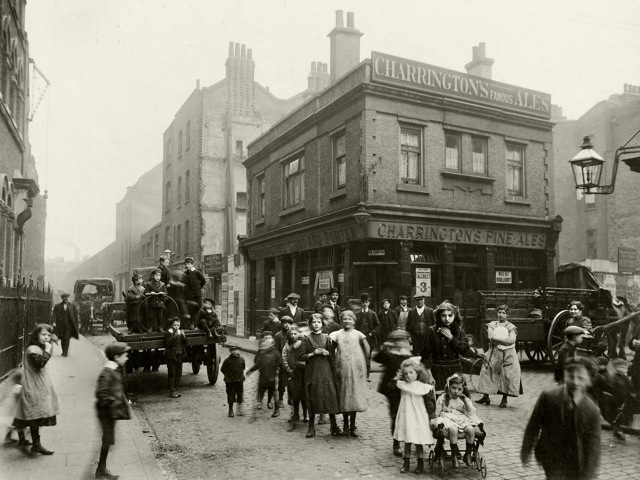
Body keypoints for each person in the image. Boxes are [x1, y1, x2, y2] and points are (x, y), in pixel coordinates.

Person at [521, 355, 601, 480]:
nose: (575, 381)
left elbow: (593, 446)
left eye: (580, 377)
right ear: (564, 375)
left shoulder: (592, 411)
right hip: (551, 457)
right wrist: (526, 449)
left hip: (577, 462)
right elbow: (533, 425)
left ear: (589, 381)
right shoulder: (548, 397)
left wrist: (589, 474)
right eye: (570, 376)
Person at [14, 324, 59, 455]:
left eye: (48, 335)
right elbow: (40, 363)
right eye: (43, 334)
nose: (46, 337)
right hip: (33, 386)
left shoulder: (37, 347)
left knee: (28, 414)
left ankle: (24, 439)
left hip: (37, 384)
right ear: (36, 335)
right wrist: (48, 349)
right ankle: (36, 445)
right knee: (34, 415)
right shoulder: (33, 349)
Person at [299, 313, 341, 438]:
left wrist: (328, 353)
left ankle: (333, 425)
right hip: (312, 371)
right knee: (312, 396)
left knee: (329, 395)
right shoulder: (306, 338)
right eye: (314, 322)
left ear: (322, 324)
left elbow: (333, 358)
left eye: (318, 322)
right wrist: (313, 353)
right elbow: (301, 356)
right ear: (310, 324)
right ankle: (311, 426)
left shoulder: (327, 338)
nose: (316, 324)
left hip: (326, 371)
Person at [374, 329, 414, 456]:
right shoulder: (389, 354)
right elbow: (377, 358)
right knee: (395, 415)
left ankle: (409, 440)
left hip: (407, 390)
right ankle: (396, 443)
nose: (400, 343)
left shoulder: (409, 355)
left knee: (408, 415)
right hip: (392, 390)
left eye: (403, 340)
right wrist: (385, 347)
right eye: (397, 340)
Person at [330, 310, 370, 437]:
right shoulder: (337, 334)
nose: (347, 321)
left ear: (354, 321)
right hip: (342, 369)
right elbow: (331, 349)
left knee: (354, 397)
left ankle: (353, 425)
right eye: (345, 319)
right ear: (342, 320)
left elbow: (367, 348)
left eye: (350, 319)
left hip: (356, 370)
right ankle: (345, 424)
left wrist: (362, 362)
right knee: (344, 396)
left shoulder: (358, 334)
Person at [95, 342, 131, 480]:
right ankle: (101, 470)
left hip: (109, 411)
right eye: (125, 355)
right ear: (116, 357)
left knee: (108, 439)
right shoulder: (107, 373)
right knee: (107, 439)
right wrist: (111, 404)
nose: (127, 358)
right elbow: (101, 393)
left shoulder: (115, 368)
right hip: (106, 412)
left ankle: (101, 468)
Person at [394, 357, 436, 474]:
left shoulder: (423, 387)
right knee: (407, 439)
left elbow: (430, 402)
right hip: (406, 415)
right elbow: (391, 388)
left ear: (417, 372)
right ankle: (406, 462)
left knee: (418, 439)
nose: (408, 376)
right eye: (406, 373)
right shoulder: (402, 384)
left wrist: (432, 416)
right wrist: (397, 378)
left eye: (411, 373)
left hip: (418, 415)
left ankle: (420, 463)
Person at [433, 374, 484, 468]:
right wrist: (438, 422)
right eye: (453, 388)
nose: (456, 391)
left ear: (463, 390)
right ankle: (454, 456)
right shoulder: (443, 398)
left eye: (459, 389)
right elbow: (437, 412)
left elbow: (470, 413)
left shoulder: (463, 399)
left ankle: (468, 454)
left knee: (470, 429)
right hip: (448, 419)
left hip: (461, 419)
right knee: (453, 429)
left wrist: (465, 401)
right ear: (449, 387)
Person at [476, 304, 522, 408]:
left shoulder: (511, 326)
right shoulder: (493, 324)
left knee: (506, 374)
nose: (501, 315)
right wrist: (503, 340)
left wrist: (498, 340)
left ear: (507, 315)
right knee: (487, 371)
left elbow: (512, 340)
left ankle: (504, 399)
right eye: (499, 312)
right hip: (494, 352)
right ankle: (485, 396)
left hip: (508, 354)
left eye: (503, 313)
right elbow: (490, 337)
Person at [420, 301, 470, 391]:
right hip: (438, 371)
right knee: (439, 399)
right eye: (444, 315)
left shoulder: (459, 330)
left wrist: (451, 337)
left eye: (450, 315)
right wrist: (429, 376)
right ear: (439, 316)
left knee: (456, 399)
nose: (447, 319)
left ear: (454, 316)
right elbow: (425, 356)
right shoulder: (432, 331)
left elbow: (465, 350)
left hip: (455, 371)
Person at [247, 333, 282, 421]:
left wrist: (278, 370)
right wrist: (250, 370)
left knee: (275, 394)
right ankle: (257, 408)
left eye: (265, 344)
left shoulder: (276, 353)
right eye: (263, 344)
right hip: (263, 378)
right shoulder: (262, 354)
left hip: (272, 378)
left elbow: (280, 363)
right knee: (260, 393)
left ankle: (276, 409)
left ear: (271, 345)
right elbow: (257, 364)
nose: (263, 346)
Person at [282, 324, 307, 430]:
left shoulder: (302, 344)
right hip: (292, 374)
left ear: (299, 334)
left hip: (302, 373)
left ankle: (306, 415)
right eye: (291, 334)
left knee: (305, 395)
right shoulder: (286, 346)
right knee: (294, 395)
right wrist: (288, 369)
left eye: (295, 334)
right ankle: (295, 413)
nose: (292, 336)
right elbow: (284, 357)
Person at [355, 293, 380, 380]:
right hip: (359, 339)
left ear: (369, 303)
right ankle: (359, 375)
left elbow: (378, 325)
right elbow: (354, 326)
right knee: (359, 357)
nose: (364, 304)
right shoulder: (357, 314)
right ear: (361, 303)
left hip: (369, 339)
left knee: (367, 358)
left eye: (366, 302)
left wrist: (371, 333)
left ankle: (366, 375)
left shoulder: (373, 314)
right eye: (363, 302)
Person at [220, 342, 245, 418]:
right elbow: (223, 369)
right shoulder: (227, 360)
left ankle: (239, 408)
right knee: (230, 395)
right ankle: (230, 410)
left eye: (236, 350)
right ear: (230, 351)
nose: (234, 351)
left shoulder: (241, 359)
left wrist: (239, 375)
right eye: (232, 350)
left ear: (239, 350)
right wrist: (228, 376)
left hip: (239, 380)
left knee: (240, 394)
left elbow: (243, 367)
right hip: (230, 381)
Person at [50, 293, 79, 357]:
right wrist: (54, 322)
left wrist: (77, 325)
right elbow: (54, 315)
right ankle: (63, 351)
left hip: (69, 326)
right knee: (63, 339)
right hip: (60, 326)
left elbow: (75, 316)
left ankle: (65, 352)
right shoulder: (57, 306)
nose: (66, 298)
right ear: (62, 298)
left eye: (67, 297)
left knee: (67, 338)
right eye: (64, 297)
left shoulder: (72, 306)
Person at [274, 316, 294, 409]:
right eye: (285, 323)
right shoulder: (278, 335)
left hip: (291, 362)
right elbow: (277, 348)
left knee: (291, 381)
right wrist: (280, 361)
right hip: (282, 362)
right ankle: (281, 398)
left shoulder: (293, 334)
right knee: (282, 381)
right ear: (281, 324)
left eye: (289, 323)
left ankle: (290, 398)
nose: (287, 325)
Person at [164, 318, 186, 398]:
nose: (176, 327)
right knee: (172, 373)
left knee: (178, 373)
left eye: (178, 325)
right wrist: (174, 336)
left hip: (179, 355)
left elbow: (185, 343)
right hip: (171, 356)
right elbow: (167, 343)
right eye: (175, 325)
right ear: (171, 325)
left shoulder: (180, 332)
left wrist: (183, 336)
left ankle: (176, 389)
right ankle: (172, 390)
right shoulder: (169, 332)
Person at [184, 257, 206, 324]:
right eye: (186, 264)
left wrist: (198, 288)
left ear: (192, 264)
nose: (186, 265)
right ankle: (192, 323)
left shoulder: (197, 272)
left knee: (198, 308)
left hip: (197, 294)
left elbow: (203, 281)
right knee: (191, 309)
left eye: (188, 264)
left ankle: (200, 322)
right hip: (190, 295)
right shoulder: (185, 273)